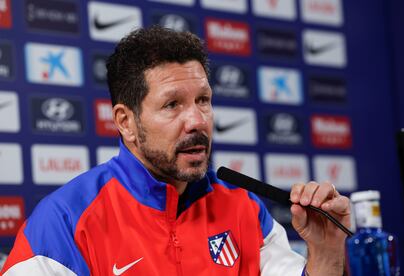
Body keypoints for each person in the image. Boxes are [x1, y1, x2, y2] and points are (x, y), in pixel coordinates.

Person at [1, 26, 350, 275]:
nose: (197, 120)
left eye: (203, 100)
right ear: (125, 121)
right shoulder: (63, 224)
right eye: (172, 105)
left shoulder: (245, 209)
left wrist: (328, 252)